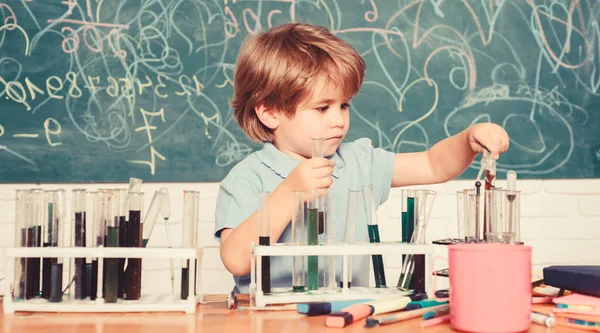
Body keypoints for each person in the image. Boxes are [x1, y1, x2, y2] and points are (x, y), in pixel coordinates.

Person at [214, 22, 509, 294]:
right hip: (269, 319)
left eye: (343, 105)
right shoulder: (247, 178)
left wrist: (469, 138)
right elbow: (237, 260)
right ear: (269, 112)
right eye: (321, 108)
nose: (339, 120)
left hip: (346, 314)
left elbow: (433, 165)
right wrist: (290, 193)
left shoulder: (357, 162)